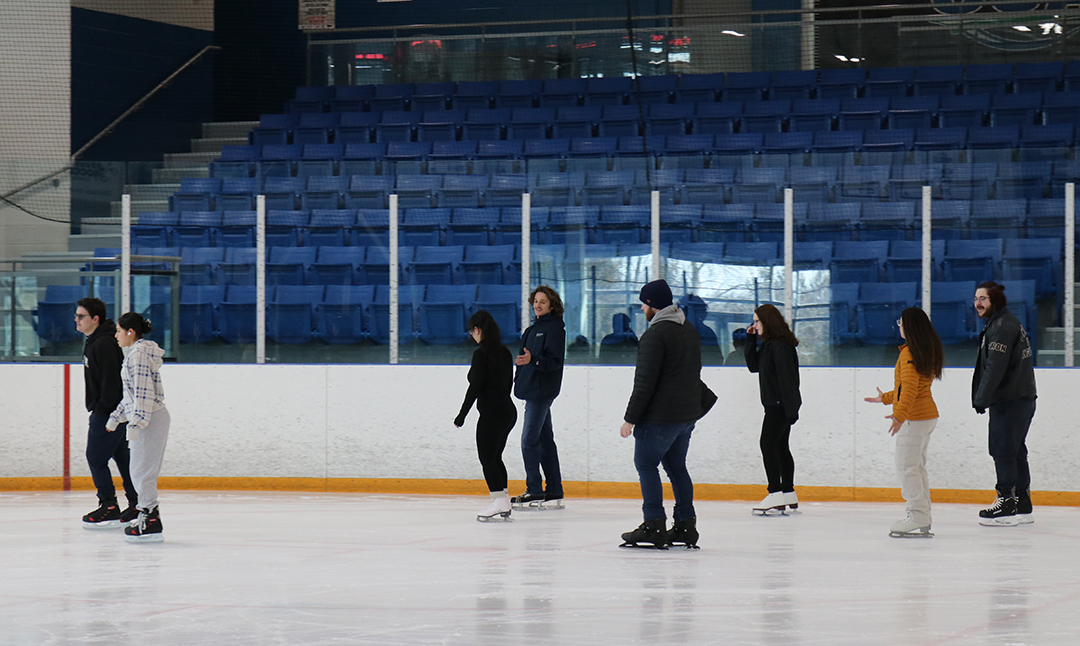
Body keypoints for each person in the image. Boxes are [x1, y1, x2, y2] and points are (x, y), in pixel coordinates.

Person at [619, 280, 716, 549]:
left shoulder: (655, 335)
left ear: (652, 305)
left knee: (646, 464)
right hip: (686, 415)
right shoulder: (688, 330)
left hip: (661, 417)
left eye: (644, 303)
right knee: (676, 468)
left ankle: (654, 525)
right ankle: (686, 525)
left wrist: (630, 419)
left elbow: (645, 382)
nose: (642, 308)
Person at [864, 307, 943, 538]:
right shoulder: (923, 350)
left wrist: (899, 416)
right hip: (926, 416)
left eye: (901, 321)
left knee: (906, 468)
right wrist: (885, 398)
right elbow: (909, 388)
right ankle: (922, 514)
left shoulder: (909, 353)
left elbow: (908, 390)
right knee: (916, 467)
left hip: (915, 418)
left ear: (909, 326)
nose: (898, 325)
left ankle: (917, 515)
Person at [972, 281, 1037, 527]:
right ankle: (1023, 502)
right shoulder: (1005, 322)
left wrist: (981, 397)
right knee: (1016, 449)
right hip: (1020, 398)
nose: (978, 303)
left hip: (1010, 400)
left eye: (983, 299)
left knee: (1003, 450)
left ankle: (1007, 503)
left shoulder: (1001, 326)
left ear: (995, 301)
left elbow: (994, 368)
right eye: (976, 298)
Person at [107, 312, 171, 542]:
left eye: (118, 331)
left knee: (143, 472)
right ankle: (147, 513)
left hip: (150, 418)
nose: (116, 335)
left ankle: (151, 519)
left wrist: (135, 424)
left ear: (130, 332)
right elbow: (132, 397)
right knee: (138, 470)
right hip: (147, 418)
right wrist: (116, 418)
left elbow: (144, 395)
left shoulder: (139, 356)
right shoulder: (135, 354)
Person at [76, 297, 138, 528]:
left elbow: (111, 383)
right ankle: (136, 502)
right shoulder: (95, 340)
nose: (77, 320)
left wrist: (102, 411)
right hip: (113, 411)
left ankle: (109, 505)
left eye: (81, 316)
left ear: (95, 319)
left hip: (110, 412)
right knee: (122, 457)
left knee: (96, 457)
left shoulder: (103, 344)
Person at [454, 310, 518, 522]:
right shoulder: (506, 353)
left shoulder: (480, 355)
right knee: (495, 456)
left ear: (478, 330)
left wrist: (461, 415)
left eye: (472, 331)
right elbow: (509, 384)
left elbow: (474, 388)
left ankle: (499, 501)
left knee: (487, 457)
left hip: (492, 414)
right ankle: (504, 500)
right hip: (508, 412)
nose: (472, 335)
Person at [744, 304, 802, 515]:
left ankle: (775, 492)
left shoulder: (780, 346)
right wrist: (750, 339)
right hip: (778, 405)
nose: (755, 325)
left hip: (780, 406)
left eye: (757, 321)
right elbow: (753, 366)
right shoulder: (771, 346)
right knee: (780, 447)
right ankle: (788, 492)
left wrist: (791, 409)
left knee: (767, 445)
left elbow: (788, 379)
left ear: (767, 321)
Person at [512, 286, 566, 508]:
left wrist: (533, 360)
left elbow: (554, 362)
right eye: (536, 301)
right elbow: (524, 359)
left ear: (551, 305)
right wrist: (519, 376)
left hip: (541, 392)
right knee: (544, 440)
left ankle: (534, 489)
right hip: (532, 389)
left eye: (543, 301)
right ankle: (554, 489)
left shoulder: (554, 329)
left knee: (528, 441)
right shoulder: (531, 330)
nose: (538, 305)